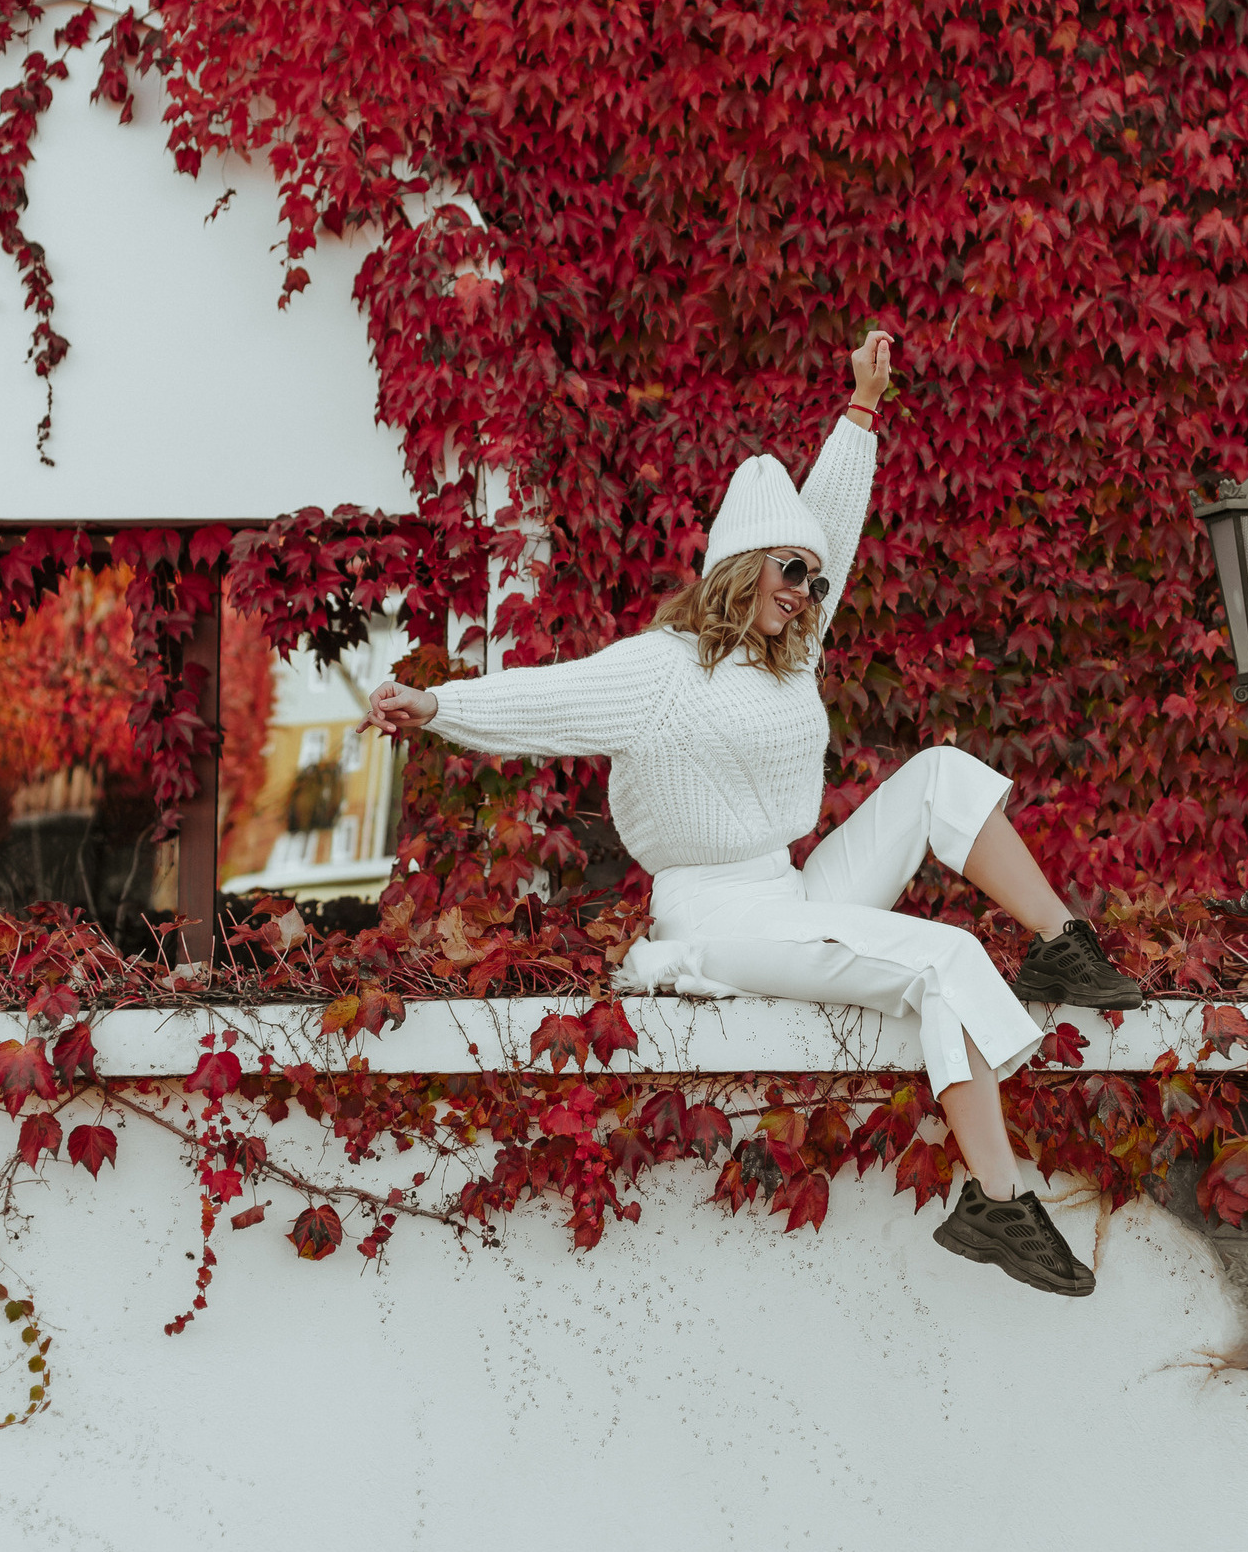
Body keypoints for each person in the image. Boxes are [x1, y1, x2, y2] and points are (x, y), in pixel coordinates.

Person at [359, 329, 1145, 1296]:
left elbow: (834, 528)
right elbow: (547, 701)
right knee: (944, 958)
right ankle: (997, 1202)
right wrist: (437, 707)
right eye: (789, 573)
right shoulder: (662, 671)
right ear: (739, 569)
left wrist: (862, 411)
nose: (809, 592)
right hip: (715, 919)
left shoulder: (791, 653)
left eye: (813, 580)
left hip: (790, 885)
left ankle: (1063, 939)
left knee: (942, 770)